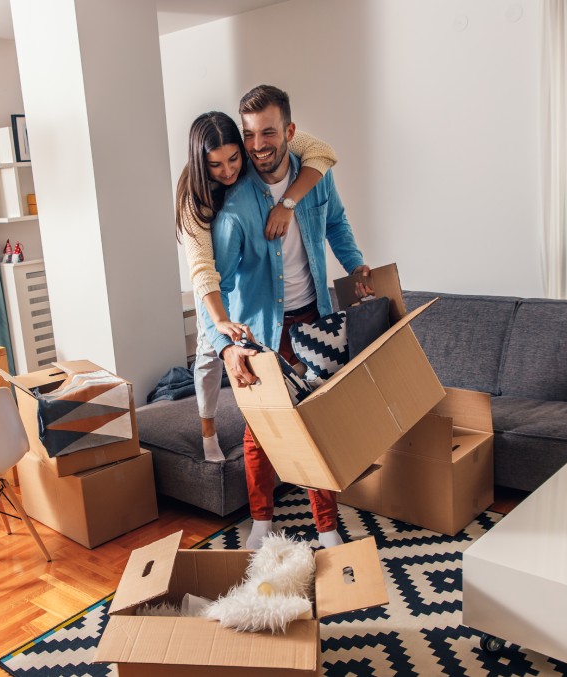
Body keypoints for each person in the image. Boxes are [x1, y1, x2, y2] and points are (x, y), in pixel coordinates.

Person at [198, 85, 371, 550]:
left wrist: (355, 265)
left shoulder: (315, 178)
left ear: (289, 133)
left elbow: (336, 224)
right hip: (261, 332)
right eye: (249, 134)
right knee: (262, 427)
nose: (257, 146)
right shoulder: (233, 208)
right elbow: (209, 286)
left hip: (317, 319)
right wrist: (226, 346)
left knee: (318, 421)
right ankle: (261, 521)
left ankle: (328, 527)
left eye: (268, 132)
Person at [176, 111, 338, 463]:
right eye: (216, 165)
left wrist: (287, 204)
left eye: (234, 158)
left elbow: (322, 151)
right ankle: (208, 432)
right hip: (212, 284)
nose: (229, 170)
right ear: (201, 163)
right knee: (208, 353)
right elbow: (203, 269)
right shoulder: (194, 199)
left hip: (245, 282)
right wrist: (219, 322)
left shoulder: (256, 146)